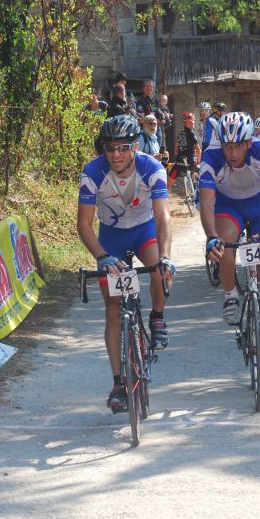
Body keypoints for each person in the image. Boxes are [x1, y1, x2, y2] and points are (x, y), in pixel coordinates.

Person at [77, 114, 174, 411]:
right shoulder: (93, 172)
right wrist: (102, 257)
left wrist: (166, 257)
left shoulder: (152, 168)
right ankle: (119, 381)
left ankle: (157, 316)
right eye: (110, 148)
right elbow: (83, 224)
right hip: (112, 238)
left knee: (159, 269)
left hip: (144, 231)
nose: (115, 154)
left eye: (122, 148)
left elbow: (163, 217)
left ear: (135, 146)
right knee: (113, 307)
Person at [199, 111, 260, 380]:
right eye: (227, 145)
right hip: (229, 206)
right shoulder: (211, 158)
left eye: (238, 145)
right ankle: (230, 294)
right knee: (226, 241)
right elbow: (206, 203)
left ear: (249, 143)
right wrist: (211, 236)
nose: (232, 152)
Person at [168, 111, 201, 191]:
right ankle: (196, 191)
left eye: (193, 121)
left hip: (179, 160)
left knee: (170, 179)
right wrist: (198, 162)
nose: (193, 123)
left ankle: (165, 192)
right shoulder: (192, 134)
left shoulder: (180, 133)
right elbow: (198, 150)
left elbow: (176, 148)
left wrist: (178, 156)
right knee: (197, 172)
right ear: (186, 122)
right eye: (191, 121)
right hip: (190, 161)